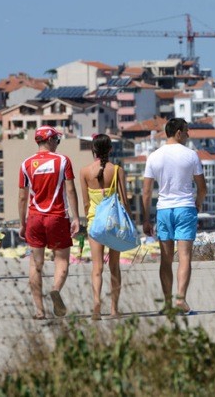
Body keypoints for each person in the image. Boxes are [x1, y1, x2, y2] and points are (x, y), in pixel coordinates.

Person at [142, 118, 206, 313]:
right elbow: (202, 187)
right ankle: (181, 300)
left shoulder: (154, 156)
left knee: (166, 259)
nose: (188, 134)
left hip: (163, 209)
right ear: (178, 132)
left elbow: (146, 192)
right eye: (186, 131)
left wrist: (146, 219)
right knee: (184, 256)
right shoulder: (191, 155)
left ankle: (168, 303)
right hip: (185, 207)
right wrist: (198, 203)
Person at [18, 125, 80, 319]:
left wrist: (22, 223)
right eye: (57, 140)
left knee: (35, 265)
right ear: (50, 140)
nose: (57, 144)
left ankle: (39, 311)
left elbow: (22, 197)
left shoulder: (26, 164)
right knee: (61, 260)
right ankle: (55, 289)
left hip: (34, 217)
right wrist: (76, 217)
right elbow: (70, 190)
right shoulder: (63, 161)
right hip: (57, 217)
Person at [80, 134, 129, 320]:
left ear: (93, 150)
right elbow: (124, 201)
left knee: (97, 268)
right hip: (114, 223)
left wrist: (90, 218)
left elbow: (86, 203)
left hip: (95, 223)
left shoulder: (85, 172)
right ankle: (114, 309)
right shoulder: (117, 170)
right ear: (110, 149)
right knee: (114, 266)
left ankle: (96, 306)